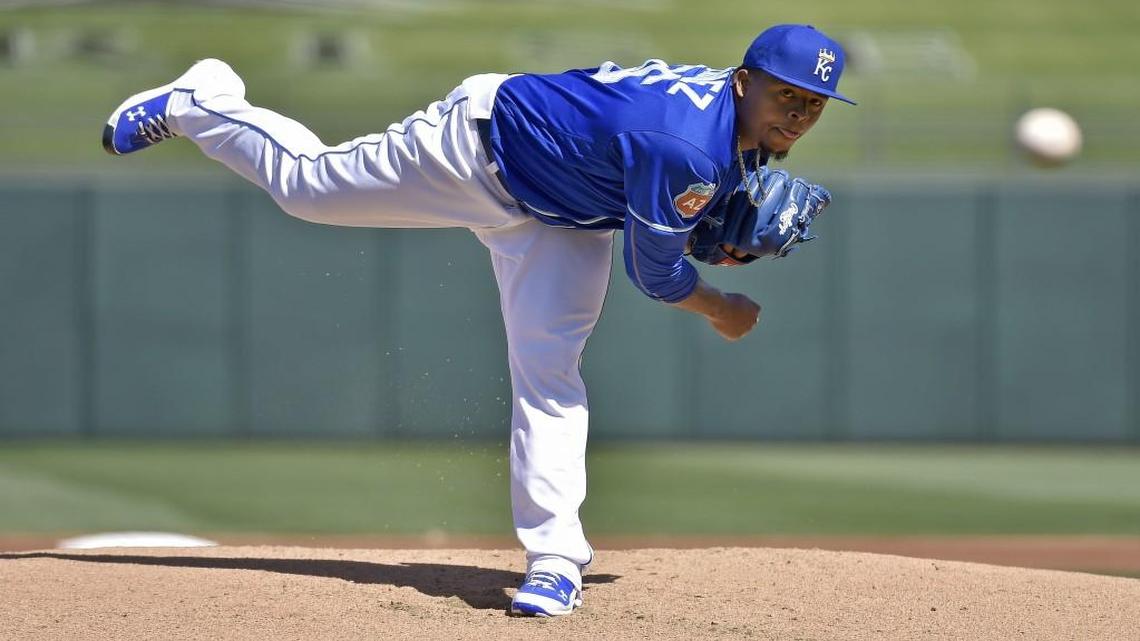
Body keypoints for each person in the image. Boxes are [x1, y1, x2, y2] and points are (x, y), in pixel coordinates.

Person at [102, 23, 853, 617]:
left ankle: (555, 558)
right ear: (744, 80)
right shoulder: (686, 146)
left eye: (813, 106)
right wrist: (720, 306)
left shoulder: (722, 130)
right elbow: (656, 274)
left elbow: (663, 192)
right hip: (475, 151)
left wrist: (707, 215)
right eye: (787, 97)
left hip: (565, 214)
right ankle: (202, 102)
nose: (799, 116)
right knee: (308, 187)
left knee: (549, 366)